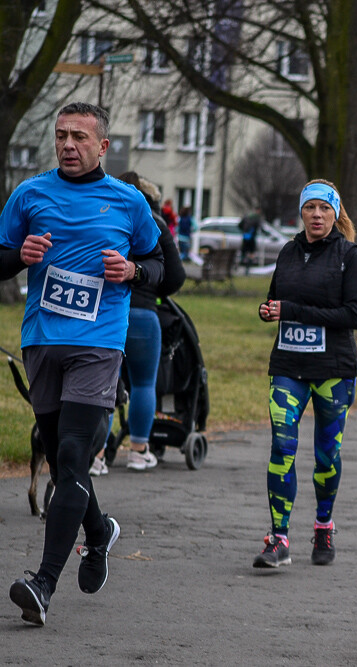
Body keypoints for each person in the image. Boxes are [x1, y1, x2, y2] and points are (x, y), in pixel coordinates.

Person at [0, 102, 164, 625]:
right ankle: (99, 532)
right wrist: (17, 257)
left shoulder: (128, 201)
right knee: (59, 455)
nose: (69, 144)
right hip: (42, 341)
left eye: (79, 137)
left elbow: (168, 271)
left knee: (72, 454)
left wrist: (135, 270)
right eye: (61, 135)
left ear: (103, 147)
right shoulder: (29, 194)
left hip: (99, 343)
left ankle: (44, 583)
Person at [254, 179, 357, 568]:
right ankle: (279, 538)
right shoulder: (287, 252)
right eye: (309, 208)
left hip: (332, 370)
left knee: (326, 456)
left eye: (324, 209)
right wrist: (268, 311)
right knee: (281, 449)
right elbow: (275, 300)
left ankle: (323, 526)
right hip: (288, 366)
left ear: (335, 214)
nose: (316, 215)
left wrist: (292, 311)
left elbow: (354, 316)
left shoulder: (349, 256)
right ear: (300, 213)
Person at [116, 172, 187, 472]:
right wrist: (154, 289)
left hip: (105, 313)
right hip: (144, 312)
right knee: (145, 383)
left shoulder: (105, 216)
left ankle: (95, 454)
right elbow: (175, 276)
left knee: (105, 382)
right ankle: (138, 449)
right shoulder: (153, 222)